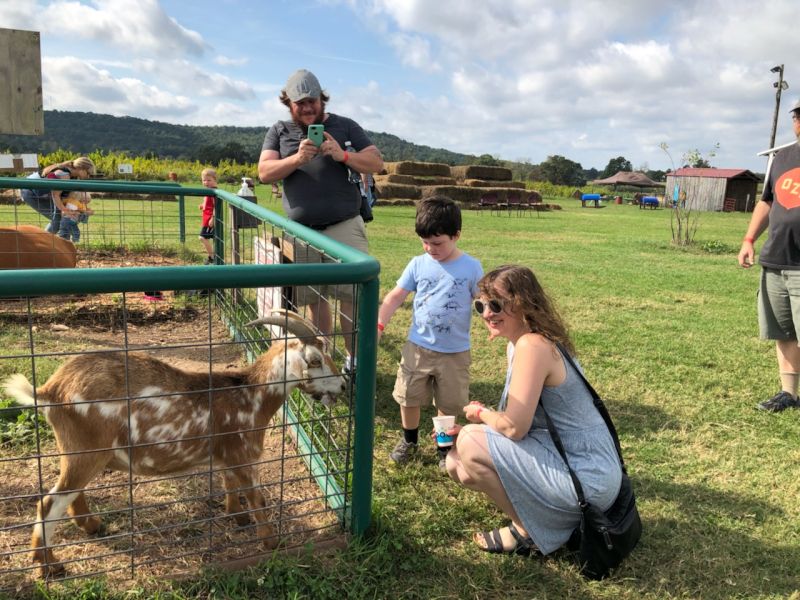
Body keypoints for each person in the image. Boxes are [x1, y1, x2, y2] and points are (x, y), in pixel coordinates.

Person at [443, 265, 622, 555]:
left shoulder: (532, 346)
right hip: (568, 459)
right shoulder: (522, 343)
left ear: (522, 303)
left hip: (587, 477)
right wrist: (478, 430)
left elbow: (514, 427)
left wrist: (479, 416)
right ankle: (551, 522)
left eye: (496, 304)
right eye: (481, 305)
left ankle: (530, 533)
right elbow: (515, 426)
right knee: (457, 465)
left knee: (470, 443)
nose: (486, 313)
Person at [257, 69, 384, 369]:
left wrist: (343, 156)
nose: (307, 108)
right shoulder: (279, 131)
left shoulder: (345, 125)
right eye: (299, 103)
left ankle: (355, 363)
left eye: (311, 100)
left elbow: (376, 162)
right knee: (316, 301)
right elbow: (264, 173)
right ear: (289, 104)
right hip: (302, 231)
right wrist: (297, 159)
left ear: (321, 99)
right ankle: (323, 363)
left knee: (351, 297)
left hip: (344, 227)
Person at [377, 197, 483, 471]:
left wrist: (495, 322)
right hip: (418, 347)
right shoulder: (417, 263)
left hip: (455, 352)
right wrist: (379, 324)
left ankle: (443, 447)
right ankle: (409, 441)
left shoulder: (471, 267)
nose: (430, 249)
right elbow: (395, 297)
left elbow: (481, 300)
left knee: (448, 404)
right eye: (425, 242)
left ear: (456, 235)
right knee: (408, 396)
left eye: (437, 243)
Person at [738, 99, 800, 412]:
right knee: (783, 329)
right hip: (776, 259)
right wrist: (749, 238)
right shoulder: (781, 158)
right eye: (798, 115)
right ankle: (788, 394)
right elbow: (766, 202)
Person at [20, 157, 96, 234]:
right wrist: (65, 210)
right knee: (58, 221)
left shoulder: (72, 174)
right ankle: (44, 242)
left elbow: (66, 195)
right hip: (30, 191)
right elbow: (55, 195)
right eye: (88, 173)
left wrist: (81, 208)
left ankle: (48, 241)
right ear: (81, 168)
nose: (88, 176)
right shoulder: (64, 175)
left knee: (63, 219)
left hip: (42, 192)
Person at [199, 167, 217, 265]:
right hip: (206, 218)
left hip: (210, 219)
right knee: (206, 237)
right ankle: (213, 257)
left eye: (209, 180)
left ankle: (212, 257)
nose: (206, 182)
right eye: (204, 180)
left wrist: (213, 218)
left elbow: (216, 206)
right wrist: (203, 206)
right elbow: (208, 203)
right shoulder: (208, 190)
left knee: (202, 237)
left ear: (215, 180)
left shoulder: (214, 191)